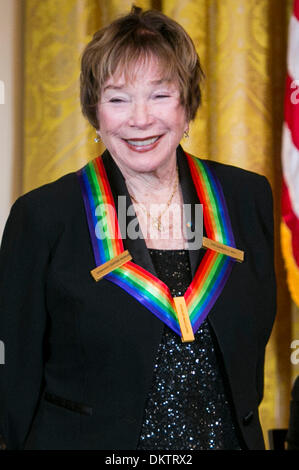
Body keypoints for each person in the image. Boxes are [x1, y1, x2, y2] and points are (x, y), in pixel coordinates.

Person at [0, 6, 276, 450]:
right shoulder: (44, 216)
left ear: (188, 105)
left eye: (160, 95)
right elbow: (15, 377)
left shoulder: (247, 199)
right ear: (95, 112)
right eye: (118, 97)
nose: (140, 119)